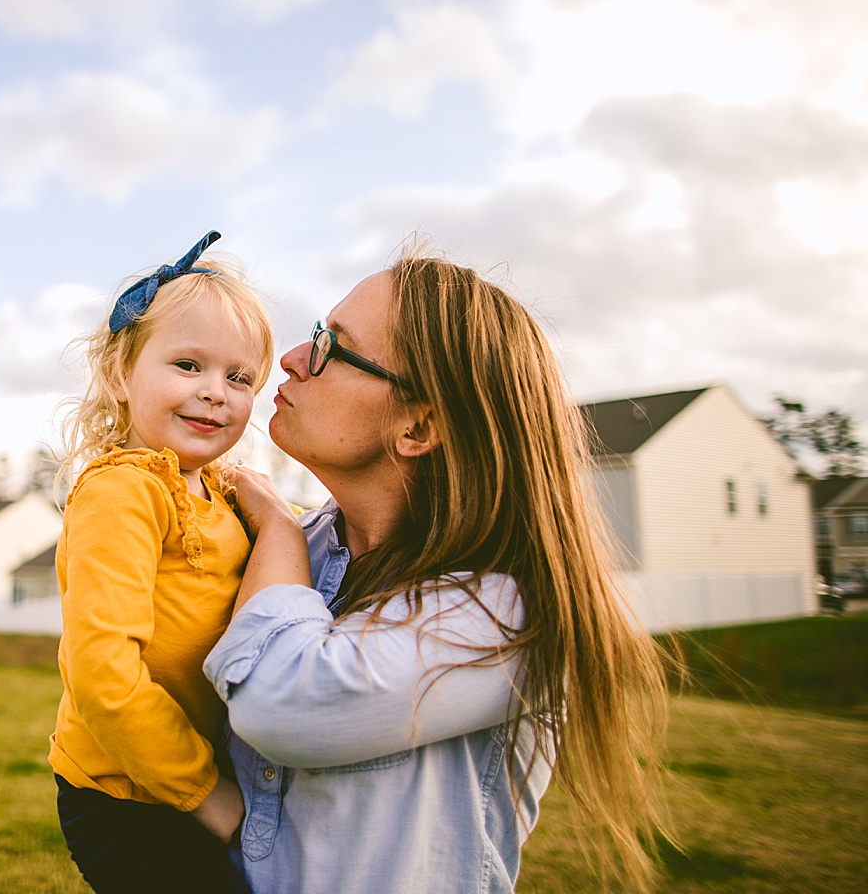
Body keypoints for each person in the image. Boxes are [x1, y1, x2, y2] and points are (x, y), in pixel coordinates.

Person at [203, 240, 670, 894]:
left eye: (335, 346)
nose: (292, 359)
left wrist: (277, 525)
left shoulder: (507, 616)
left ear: (418, 429)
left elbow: (284, 705)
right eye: (317, 333)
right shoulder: (295, 555)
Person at [49, 231, 273, 894]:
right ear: (120, 375)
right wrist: (208, 794)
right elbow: (104, 676)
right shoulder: (125, 489)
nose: (215, 392)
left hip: (185, 771)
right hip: (127, 793)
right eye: (188, 365)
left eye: (239, 378)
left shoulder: (219, 489)